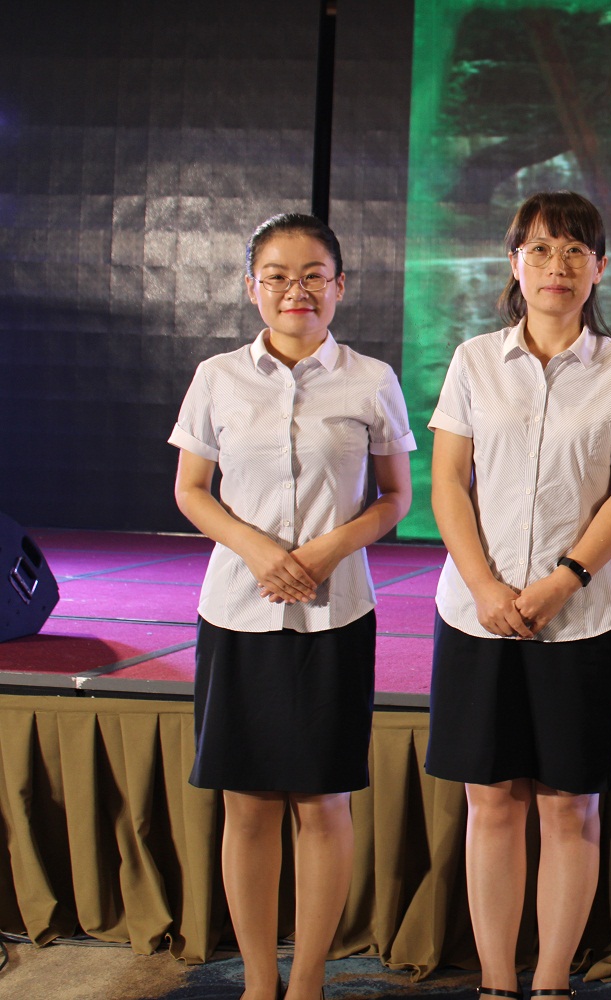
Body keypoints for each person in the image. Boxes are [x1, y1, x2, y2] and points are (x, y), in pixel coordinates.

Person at [170, 213, 416, 1000]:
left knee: (322, 802)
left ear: (340, 286)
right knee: (247, 806)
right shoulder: (217, 376)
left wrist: (324, 552)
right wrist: (258, 551)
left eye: (313, 275)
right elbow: (191, 491)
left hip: (334, 613)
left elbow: (395, 498)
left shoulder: (370, 379)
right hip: (237, 613)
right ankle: (255, 981)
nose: (295, 290)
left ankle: (307, 980)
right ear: (252, 287)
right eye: (276, 276)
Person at [424, 191, 611, 1000]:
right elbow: (448, 482)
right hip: (476, 617)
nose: (557, 266)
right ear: (514, 262)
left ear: (599, 268)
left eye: (575, 251)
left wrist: (564, 581)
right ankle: (496, 981)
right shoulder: (474, 361)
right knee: (491, 804)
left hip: (580, 619)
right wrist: (485, 585)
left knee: (567, 809)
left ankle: (552, 981)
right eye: (541, 249)